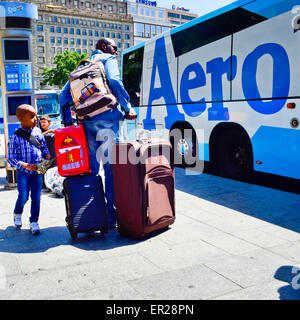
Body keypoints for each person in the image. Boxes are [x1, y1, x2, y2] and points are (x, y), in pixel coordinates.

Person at [59, 37, 137, 229]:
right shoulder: (107, 60)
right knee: (112, 170)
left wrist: (70, 124)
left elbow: (63, 96)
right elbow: (114, 81)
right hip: (108, 121)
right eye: (114, 47)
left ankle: (93, 215)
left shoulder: (80, 69)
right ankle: (111, 218)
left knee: (92, 169)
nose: (116, 52)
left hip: (87, 124)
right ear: (103, 46)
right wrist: (127, 107)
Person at [8, 104, 51, 235]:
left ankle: (34, 221)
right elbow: (10, 158)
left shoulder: (38, 131)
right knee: (23, 196)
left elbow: (43, 147)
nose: (35, 119)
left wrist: (47, 155)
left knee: (37, 197)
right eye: (32, 117)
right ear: (21, 119)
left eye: (35, 116)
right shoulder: (15, 136)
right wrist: (25, 165)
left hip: (38, 170)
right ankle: (17, 212)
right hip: (24, 172)